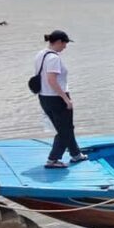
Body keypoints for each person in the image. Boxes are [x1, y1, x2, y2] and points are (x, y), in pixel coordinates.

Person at [36, 30, 88, 168]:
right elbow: (52, 80)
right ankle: (53, 159)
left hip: (44, 97)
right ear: (58, 42)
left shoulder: (40, 54)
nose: (65, 47)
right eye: (65, 43)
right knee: (65, 130)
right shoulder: (54, 58)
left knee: (64, 128)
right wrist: (66, 99)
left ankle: (76, 154)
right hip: (57, 98)